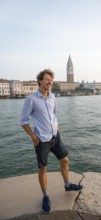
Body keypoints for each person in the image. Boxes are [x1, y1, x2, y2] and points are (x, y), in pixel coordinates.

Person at [20, 69, 82, 213]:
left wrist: (57, 128)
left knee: (65, 160)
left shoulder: (53, 97)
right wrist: (33, 137)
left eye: (51, 80)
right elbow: (23, 121)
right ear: (40, 81)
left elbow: (54, 115)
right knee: (42, 169)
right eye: (47, 79)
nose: (50, 82)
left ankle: (67, 185)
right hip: (41, 139)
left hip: (55, 136)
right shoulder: (31, 100)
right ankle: (45, 196)